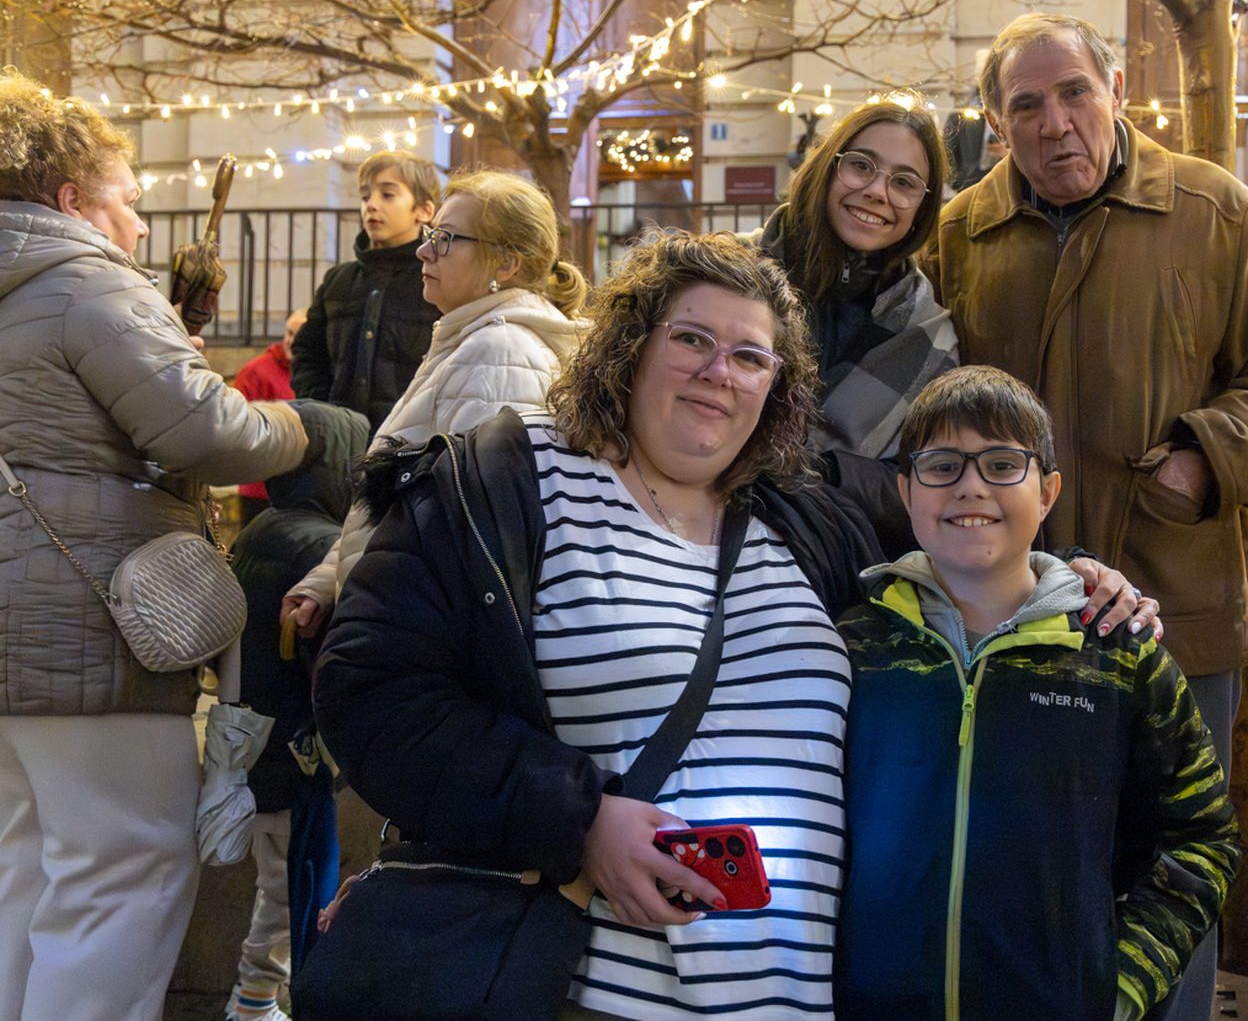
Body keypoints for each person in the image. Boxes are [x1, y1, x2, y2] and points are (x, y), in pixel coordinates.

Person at [311, 232, 1158, 1019]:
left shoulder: (803, 511)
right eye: (691, 339)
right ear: (631, 345)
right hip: (577, 990)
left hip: (786, 997)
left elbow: (972, 518)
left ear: (777, 386)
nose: (721, 370)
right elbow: (368, 688)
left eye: (752, 356)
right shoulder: (509, 477)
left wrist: (1073, 575)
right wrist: (577, 821)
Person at [924, 13, 1248, 1016]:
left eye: (1073, 93)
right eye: (1026, 105)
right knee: (1030, 863)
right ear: (995, 122)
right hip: (1011, 608)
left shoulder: (1212, 208)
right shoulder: (959, 231)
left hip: (1173, 594)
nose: (1054, 122)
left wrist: (1207, 453)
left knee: (1170, 862)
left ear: (1115, 91)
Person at [0, 72, 308, 1021]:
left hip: (19, 634)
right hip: (90, 627)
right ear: (71, 201)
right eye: (126, 200)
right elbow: (203, 432)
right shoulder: (82, 278)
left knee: (26, 868)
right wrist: (305, 429)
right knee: (121, 875)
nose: (137, 226)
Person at [834, 366, 1238, 1020]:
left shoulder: (1119, 658)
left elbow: (1201, 837)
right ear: (905, 490)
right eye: (942, 465)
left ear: (1047, 491)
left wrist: (1120, 983)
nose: (970, 485)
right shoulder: (855, 651)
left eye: (1001, 463)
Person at [281, 169, 587, 638]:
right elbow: (395, 506)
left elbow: (464, 536)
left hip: (413, 630)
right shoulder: (470, 340)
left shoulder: (499, 354)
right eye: (430, 235)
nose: (425, 250)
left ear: (505, 264)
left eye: (445, 238)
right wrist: (328, 580)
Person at [754, 99, 958, 552]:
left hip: (833, 570)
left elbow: (928, 483)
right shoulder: (729, 275)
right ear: (828, 166)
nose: (877, 191)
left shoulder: (929, 336)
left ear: (922, 208)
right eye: (862, 166)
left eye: (904, 182)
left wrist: (830, 471)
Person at [225, 401, 370, 1021]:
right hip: (296, 752)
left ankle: (259, 1000)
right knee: (296, 889)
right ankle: (258, 1004)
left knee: (279, 883)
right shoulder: (320, 544)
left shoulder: (263, 528)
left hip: (253, 738)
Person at [290, 150, 439, 433]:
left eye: (387, 195)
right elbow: (308, 353)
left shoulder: (435, 280)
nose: (371, 205)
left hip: (409, 445)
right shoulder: (339, 280)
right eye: (365, 196)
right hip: (339, 443)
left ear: (423, 210)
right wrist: (321, 410)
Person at [234, 308, 308, 523]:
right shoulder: (256, 372)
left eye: (298, 335)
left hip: (298, 491)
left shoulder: (314, 373)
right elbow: (238, 425)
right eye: (289, 333)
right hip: (260, 489)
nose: (291, 341)